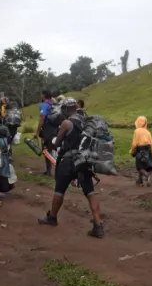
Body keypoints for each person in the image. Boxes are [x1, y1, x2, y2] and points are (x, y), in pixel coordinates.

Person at [38, 97, 104, 238]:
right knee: (90, 193)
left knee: (59, 191)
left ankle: (52, 218)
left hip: (68, 162)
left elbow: (56, 143)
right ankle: (98, 225)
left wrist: (55, 139)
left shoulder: (67, 123)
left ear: (66, 109)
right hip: (83, 161)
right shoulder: (86, 122)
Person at [129, 116, 152, 186]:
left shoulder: (136, 131)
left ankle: (148, 176)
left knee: (139, 167)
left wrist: (131, 150)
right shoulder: (148, 132)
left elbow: (134, 143)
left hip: (140, 150)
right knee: (143, 165)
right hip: (148, 150)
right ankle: (140, 180)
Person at [33, 90, 55, 176]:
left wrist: (37, 131)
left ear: (44, 95)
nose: (40, 96)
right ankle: (49, 170)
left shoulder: (44, 105)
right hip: (55, 129)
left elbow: (42, 118)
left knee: (46, 150)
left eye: (41, 94)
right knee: (52, 149)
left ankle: (49, 171)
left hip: (47, 130)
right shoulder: (53, 104)